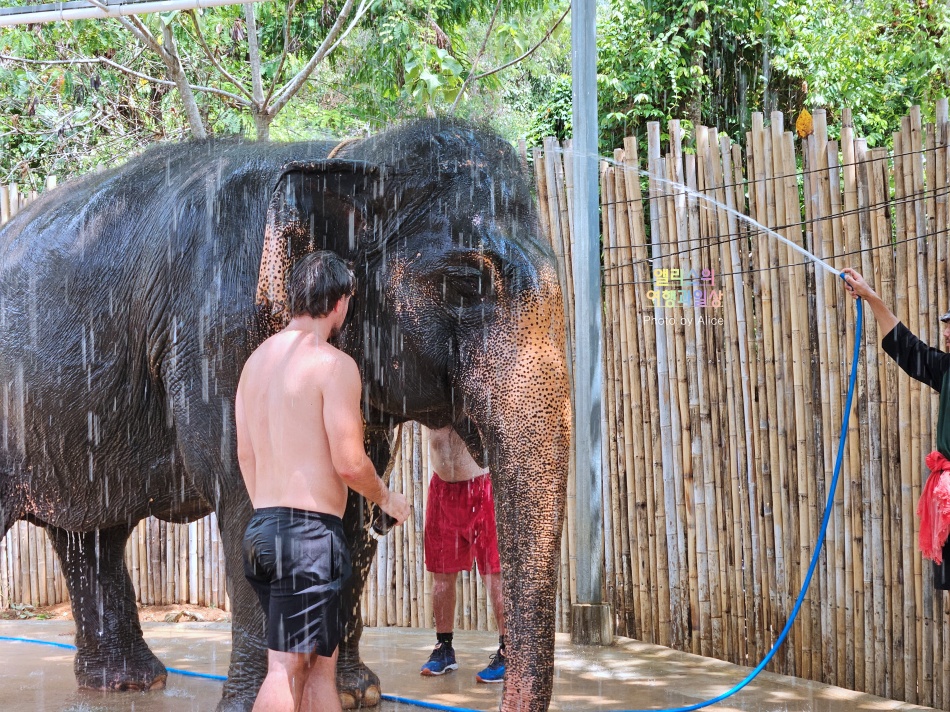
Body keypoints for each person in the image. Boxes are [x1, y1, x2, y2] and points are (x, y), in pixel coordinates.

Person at [235, 250, 411, 712]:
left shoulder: (254, 363)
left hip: (265, 530)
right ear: (340, 303)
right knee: (287, 667)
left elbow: (245, 453)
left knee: (319, 667)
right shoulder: (334, 365)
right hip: (308, 537)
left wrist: (271, 516)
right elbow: (350, 462)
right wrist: (387, 498)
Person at [842, 267, 950, 589]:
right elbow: (907, 347)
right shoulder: (946, 370)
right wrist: (871, 296)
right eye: (946, 327)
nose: (946, 333)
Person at [420, 425, 507, 683]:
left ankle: (508, 651)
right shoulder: (427, 389)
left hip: (483, 486)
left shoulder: (477, 383)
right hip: (442, 489)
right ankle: (443, 648)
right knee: (441, 577)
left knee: (495, 574)